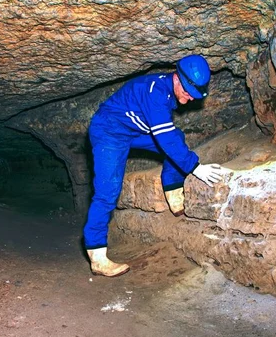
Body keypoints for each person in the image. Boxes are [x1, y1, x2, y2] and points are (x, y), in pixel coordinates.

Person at [84, 54, 226, 277]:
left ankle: (172, 189)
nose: (189, 100)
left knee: (175, 137)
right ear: (177, 79)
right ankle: (98, 258)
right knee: (107, 191)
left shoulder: (170, 90)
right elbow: (165, 137)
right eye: (188, 93)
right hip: (108, 132)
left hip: (133, 130)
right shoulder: (154, 91)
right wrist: (196, 167)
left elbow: (168, 136)